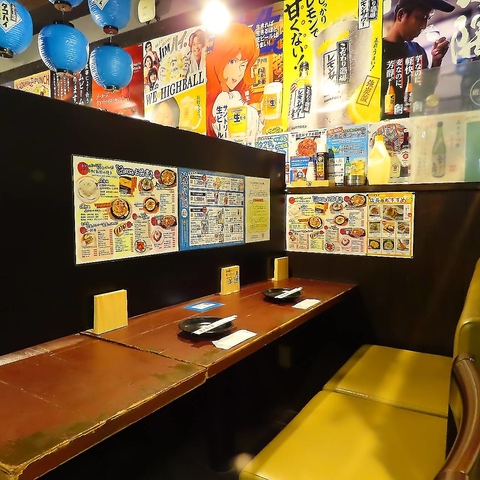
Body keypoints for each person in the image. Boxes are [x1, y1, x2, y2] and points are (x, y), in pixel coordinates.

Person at [381, 0, 455, 118]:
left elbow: (425, 94)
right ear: (401, 15)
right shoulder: (376, 53)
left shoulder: (418, 51)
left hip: (413, 125)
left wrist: (436, 61)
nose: (424, 25)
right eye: (421, 17)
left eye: (428, 18)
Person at [206, 22, 263, 139]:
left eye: (243, 64)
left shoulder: (240, 93)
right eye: (232, 62)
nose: (238, 72)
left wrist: (260, 122)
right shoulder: (207, 91)